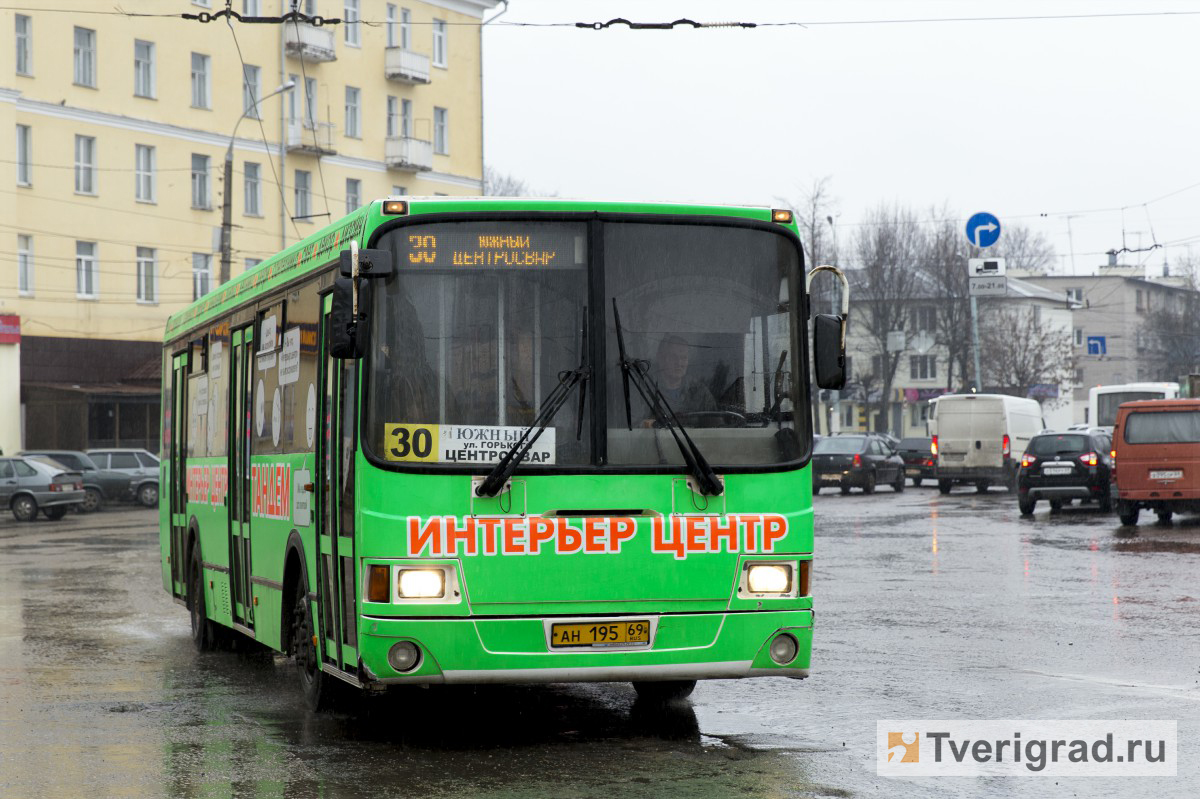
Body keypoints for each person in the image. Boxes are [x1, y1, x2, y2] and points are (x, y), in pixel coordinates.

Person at [641, 334, 716, 424]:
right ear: (661, 359)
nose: (679, 363)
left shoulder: (699, 391)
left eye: (683, 358)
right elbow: (634, 428)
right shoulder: (645, 389)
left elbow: (718, 427)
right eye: (673, 357)